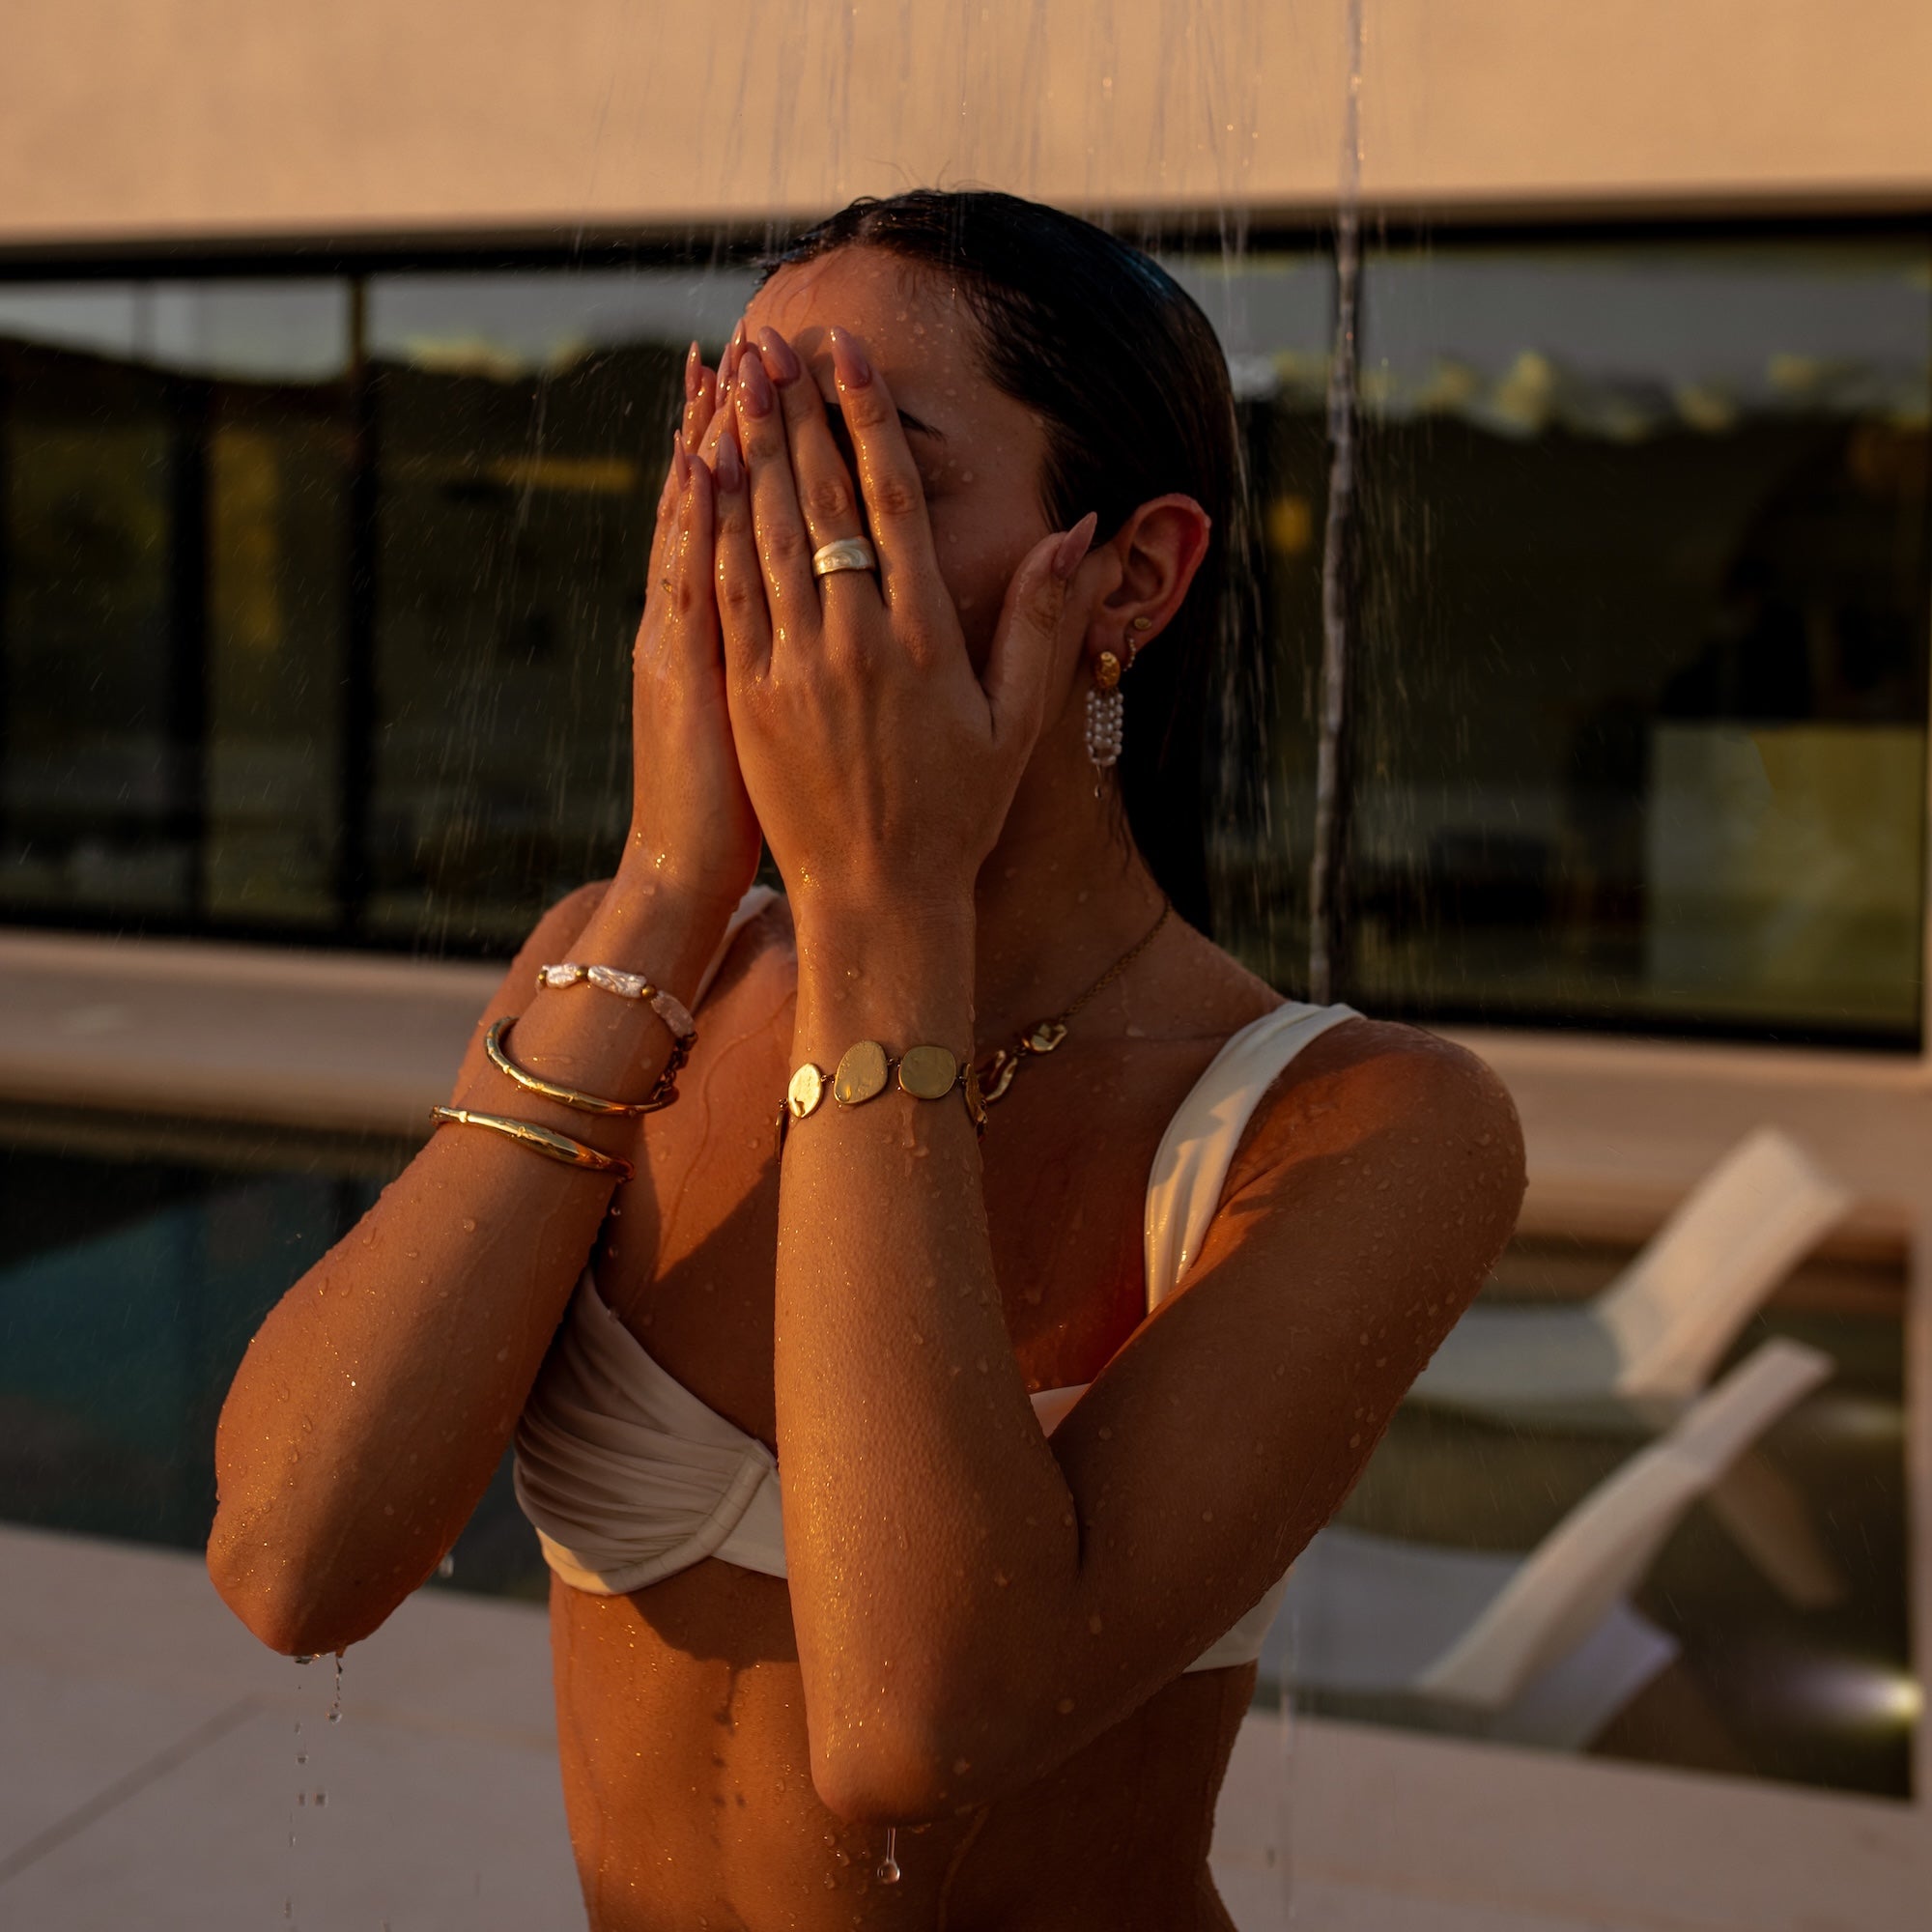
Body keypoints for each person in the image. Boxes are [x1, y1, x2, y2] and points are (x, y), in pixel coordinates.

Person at [208, 189, 1524, 1931]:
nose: (764, 529)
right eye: (731, 453)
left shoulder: (1364, 1128)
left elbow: (917, 1718)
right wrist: (676, 888)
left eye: (853, 467)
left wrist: (884, 912)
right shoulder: (624, 970)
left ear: (1133, 572)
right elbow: (294, 1559)